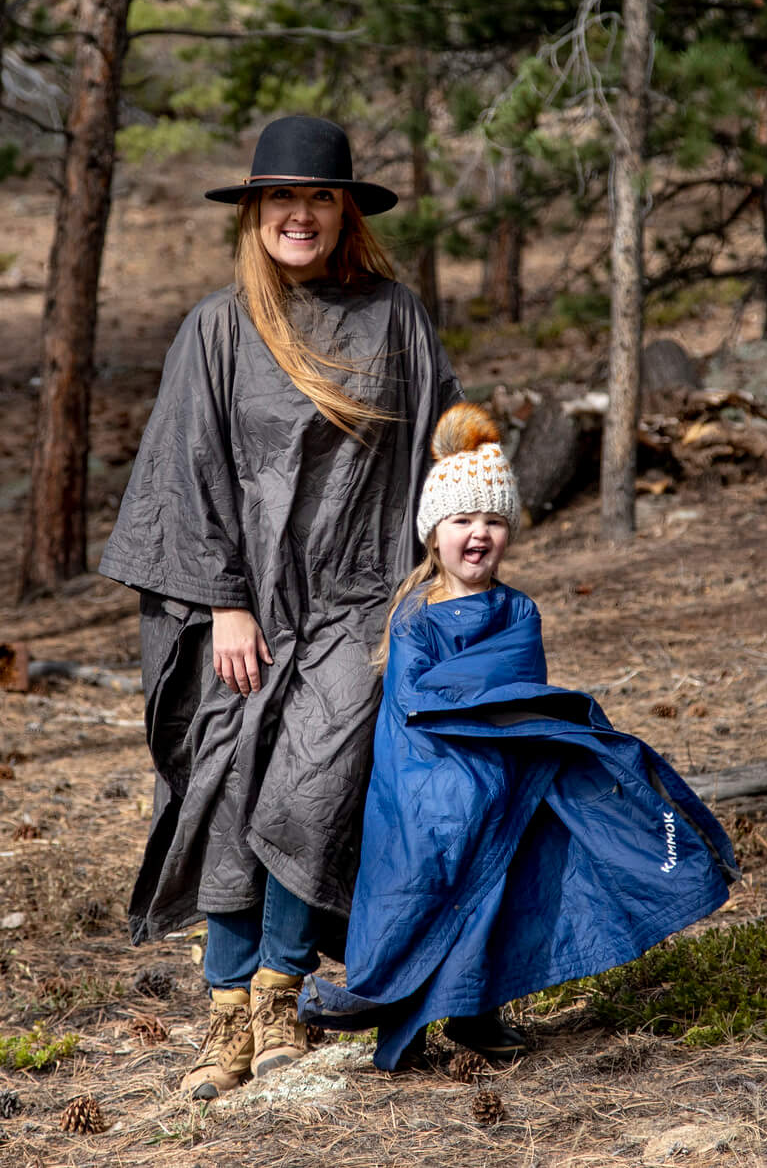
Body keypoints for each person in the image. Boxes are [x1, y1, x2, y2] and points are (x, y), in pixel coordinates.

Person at [97, 116, 460, 1100]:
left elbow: (443, 447)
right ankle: (221, 1022)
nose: (299, 214)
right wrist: (221, 600)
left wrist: (451, 557)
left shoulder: (395, 320)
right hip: (242, 609)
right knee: (228, 789)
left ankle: (279, 999)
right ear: (255, 212)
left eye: (319, 198)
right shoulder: (217, 329)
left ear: (346, 212)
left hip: (354, 602)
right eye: (280, 199)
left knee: (311, 792)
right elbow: (188, 473)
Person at [300, 403, 741, 1070]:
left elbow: (515, 690)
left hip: (503, 773)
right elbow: (419, 703)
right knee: (413, 888)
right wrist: (455, 754)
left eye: (494, 521)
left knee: (495, 894)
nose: (478, 534)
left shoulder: (518, 610)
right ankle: (398, 1010)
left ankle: (476, 1010)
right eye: (462, 520)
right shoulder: (413, 616)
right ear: (433, 532)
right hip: (419, 785)